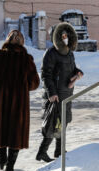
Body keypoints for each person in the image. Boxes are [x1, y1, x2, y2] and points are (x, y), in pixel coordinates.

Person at [0, 30, 40, 171]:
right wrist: (21, 85)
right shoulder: (26, 59)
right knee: (16, 132)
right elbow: (35, 84)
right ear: (21, 42)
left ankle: (2, 158)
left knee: (1, 129)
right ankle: (10, 167)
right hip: (18, 102)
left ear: (7, 41)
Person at [36, 22, 83, 162]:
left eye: (67, 35)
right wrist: (51, 93)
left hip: (67, 93)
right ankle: (42, 152)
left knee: (63, 122)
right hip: (55, 95)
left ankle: (59, 150)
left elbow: (73, 69)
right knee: (53, 123)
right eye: (62, 35)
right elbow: (46, 75)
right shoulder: (51, 53)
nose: (65, 38)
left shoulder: (69, 53)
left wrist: (79, 73)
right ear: (57, 37)